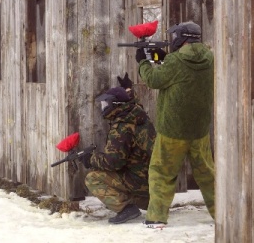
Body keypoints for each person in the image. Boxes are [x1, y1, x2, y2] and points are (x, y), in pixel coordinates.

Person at [135, 21, 215, 229]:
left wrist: (143, 61)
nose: (173, 40)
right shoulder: (210, 58)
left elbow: (153, 79)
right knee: (207, 175)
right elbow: (180, 71)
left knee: (161, 172)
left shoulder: (175, 61)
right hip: (200, 130)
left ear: (182, 38)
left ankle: (156, 218)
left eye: (175, 37)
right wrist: (159, 56)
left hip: (173, 130)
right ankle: (223, 213)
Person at [79, 79, 156, 224]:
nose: (103, 107)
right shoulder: (138, 115)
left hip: (141, 186)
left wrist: (91, 159)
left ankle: (126, 209)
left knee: (93, 178)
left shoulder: (122, 127)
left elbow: (114, 162)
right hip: (155, 185)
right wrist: (127, 89)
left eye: (106, 104)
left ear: (116, 105)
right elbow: (132, 101)